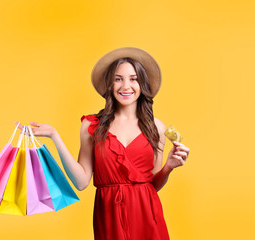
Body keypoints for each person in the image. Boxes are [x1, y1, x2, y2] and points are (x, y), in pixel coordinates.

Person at [16, 47, 190, 240]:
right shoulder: (91, 126)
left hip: (148, 218)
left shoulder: (156, 127)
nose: (126, 86)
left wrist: (169, 167)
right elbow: (81, 182)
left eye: (133, 79)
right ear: (110, 84)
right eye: (118, 79)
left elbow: (153, 185)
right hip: (109, 217)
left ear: (142, 84)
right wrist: (55, 136)